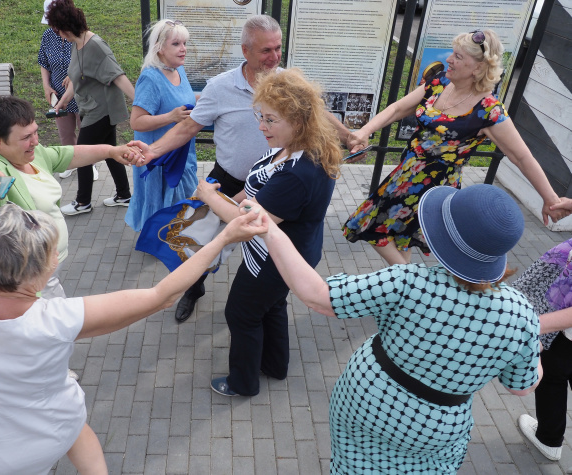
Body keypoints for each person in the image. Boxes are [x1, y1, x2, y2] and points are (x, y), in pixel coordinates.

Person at [0, 170, 265, 475]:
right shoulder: (54, 320)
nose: (56, 257)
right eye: (52, 253)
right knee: (72, 430)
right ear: (39, 271)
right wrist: (222, 239)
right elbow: (161, 296)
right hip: (44, 434)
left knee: (78, 432)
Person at [234, 183, 541, 473]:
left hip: (369, 399)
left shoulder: (408, 281)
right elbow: (521, 387)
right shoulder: (521, 314)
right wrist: (534, 352)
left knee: (353, 465)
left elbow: (318, 297)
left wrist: (270, 230)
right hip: (439, 425)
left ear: (441, 238)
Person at [128, 14, 350, 324]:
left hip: (274, 184)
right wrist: (153, 151)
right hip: (228, 181)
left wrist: (348, 136)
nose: (274, 57)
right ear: (245, 51)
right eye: (266, 50)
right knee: (199, 239)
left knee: (269, 244)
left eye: (278, 48)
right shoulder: (220, 87)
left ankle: (267, 296)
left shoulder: (287, 83)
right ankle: (193, 288)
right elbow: (188, 127)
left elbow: (317, 113)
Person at [135, 69, 341, 396]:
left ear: (299, 121)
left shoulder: (298, 173)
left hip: (276, 261)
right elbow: (257, 191)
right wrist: (230, 199)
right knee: (271, 306)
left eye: (270, 120)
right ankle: (275, 365)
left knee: (241, 313)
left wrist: (209, 196)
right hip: (289, 253)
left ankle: (243, 383)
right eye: (260, 116)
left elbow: (249, 225)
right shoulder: (295, 147)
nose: (261, 126)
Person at [344, 29, 564, 266]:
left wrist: (550, 199)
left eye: (458, 57)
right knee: (399, 238)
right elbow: (398, 108)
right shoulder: (441, 82)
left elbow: (521, 157)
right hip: (405, 174)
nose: (449, 59)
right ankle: (404, 282)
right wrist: (364, 131)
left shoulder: (489, 110)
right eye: (453, 53)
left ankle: (408, 281)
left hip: (433, 186)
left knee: (372, 228)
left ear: (478, 68)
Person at [0, 96, 130, 305]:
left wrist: (111, 151)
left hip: (51, 263)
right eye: (26, 137)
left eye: (35, 132)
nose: (35, 141)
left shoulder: (34, 154)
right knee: (58, 318)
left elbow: (68, 154)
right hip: (29, 275)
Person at [47, 0, 134, 214]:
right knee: (110, 151)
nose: (59, 35)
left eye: (58, 30)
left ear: (66, 27)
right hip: (90, 107)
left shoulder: (96, 46)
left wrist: (141, 103)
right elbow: (76, 78)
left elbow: (118, 76)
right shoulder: (77, 44)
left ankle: (83, 202)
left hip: (102, 110)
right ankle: (124, 195)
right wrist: (63, 101)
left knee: (82, 153)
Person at [124, 19, 197, 231]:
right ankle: (157, 239)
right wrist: (170, 117)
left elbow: (183, 99)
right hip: (158, 160)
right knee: (162, 208)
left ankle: (175, 238)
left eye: (184, 43)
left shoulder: (178, 70)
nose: (183, 49)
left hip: (182, 153)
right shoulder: (150, 78)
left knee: (181, 204)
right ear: (159, 48)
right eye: (176, 44)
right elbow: (136, 121)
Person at [513, 237, 572, 461]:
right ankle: (549, 438)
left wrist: (531, 325)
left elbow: (518, 388)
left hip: (564, 331)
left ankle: (549, 438)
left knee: (552, 373)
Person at [38, 0, 99, 181]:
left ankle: (90, 164)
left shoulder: (80, 34)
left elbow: (87, 60)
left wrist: (73, 75)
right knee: (65, 133)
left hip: (82, 91)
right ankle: (70, 163)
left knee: (85, 130)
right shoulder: (48, 36)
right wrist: (46, 85)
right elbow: (43, 62)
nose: (53, 27)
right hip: (58, 92)